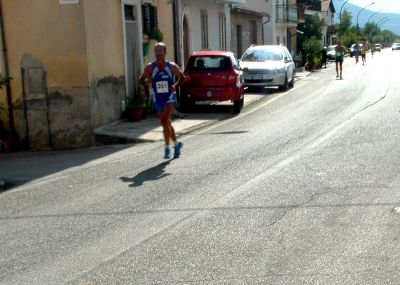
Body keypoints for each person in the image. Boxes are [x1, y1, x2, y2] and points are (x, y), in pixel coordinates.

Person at [139, 42, 185, 159]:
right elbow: (141, 79)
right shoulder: (150, 67)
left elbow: (182, 77)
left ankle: (167, 148)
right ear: (154, 53)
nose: (158, 52)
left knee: (164, 120)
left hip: (169, 96)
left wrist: (175, 86)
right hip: (157, 97)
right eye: (156, 50)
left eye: (160, 50)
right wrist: (146, 82)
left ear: (165, 52)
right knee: (166, 123)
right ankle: (176, 144)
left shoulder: (171, 66)